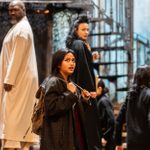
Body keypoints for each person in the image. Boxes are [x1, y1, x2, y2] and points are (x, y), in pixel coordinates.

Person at [0, 0, 39, 149]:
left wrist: (9, 79)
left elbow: (17, 55)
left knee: (13, 116)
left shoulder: (22, 30)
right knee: (15, 115)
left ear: (24, 10)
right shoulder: (19, 27)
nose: (12, 12)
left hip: (17, 80)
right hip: (19, 78)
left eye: (15, 9)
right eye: (10, 10)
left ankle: (13, 145)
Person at [40, 49, 92, 150]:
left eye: (73, 60)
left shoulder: (70, 83)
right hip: (58, 140)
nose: (71, 63)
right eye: (67, 60)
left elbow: (73, 110)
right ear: (59, 64)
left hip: (72, 137)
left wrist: (84, 100)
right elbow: (51, 108)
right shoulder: (53, 82)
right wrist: (70, 94)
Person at [66, 14, 101, 150]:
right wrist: (91, 90)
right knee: (89, 128)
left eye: (87, 29)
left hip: (81, 91)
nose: (86, 32)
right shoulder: (79, 44)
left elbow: (81, 63)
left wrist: (90, 55)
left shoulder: (77, 44)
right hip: (85, 93)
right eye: (83, 29)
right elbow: (83, 69)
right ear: (76, 30)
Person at [116, 65, 150, 150]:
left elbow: (119, 121)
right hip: (146, 144)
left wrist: (118, 143)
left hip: (130, 144)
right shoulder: (148, 95)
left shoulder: (130, 96)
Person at [96, 79, 115, 150]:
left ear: (99, 88)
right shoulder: (101, 100)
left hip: (108, 141)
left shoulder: (103, 101)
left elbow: (112, 121)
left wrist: (105, 137)